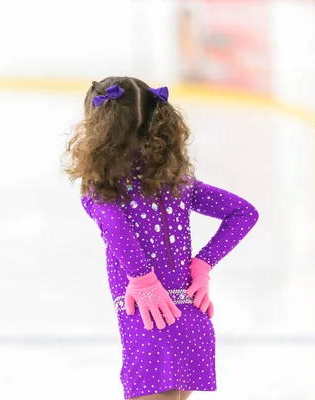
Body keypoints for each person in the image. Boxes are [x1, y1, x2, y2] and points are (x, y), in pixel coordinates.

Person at [63, 76, 258, 400]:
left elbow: (116, 228)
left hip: (151, 319)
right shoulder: (175, 180)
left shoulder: (103, 187)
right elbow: (243, 213)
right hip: (191, 320)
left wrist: (143, 279)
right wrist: (203, 264)